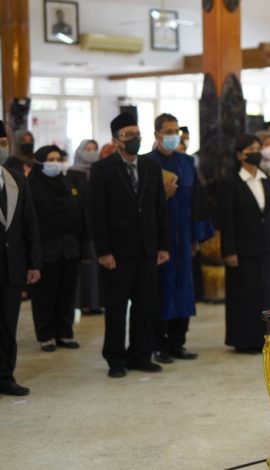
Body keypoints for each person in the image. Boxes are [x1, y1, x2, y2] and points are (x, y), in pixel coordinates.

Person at [90, 112, 170, 378]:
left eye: (137, 134)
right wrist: (103, 251)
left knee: (145, 305)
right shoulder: (102, 170)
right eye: (128, 136)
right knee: (115, 307)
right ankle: (115, 358)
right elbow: (96, 214)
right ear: (116, 141)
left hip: (148, 249)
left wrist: (162, 245)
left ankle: (140, 355)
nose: (134, 139)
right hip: (117, 252)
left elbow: (160, 208)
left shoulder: (150, 166)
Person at [145, 113, 214, 364]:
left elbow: (197, 201)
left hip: (183, 238)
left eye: (175, 131)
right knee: (161, 292)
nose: (172, 136)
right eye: (168, 131)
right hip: (159, 240)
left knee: (184, 291)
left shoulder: (187, 163)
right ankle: (158, 344)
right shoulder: (147, 164)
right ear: (157, 135)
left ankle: (178, 342)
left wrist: (197, 237)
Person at [220, 135, 270, 353]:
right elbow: (227, 219)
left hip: (266, 245)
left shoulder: (267, 179)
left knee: (266, 293)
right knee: (244, 295)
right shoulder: (230, 182)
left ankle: (266, 337)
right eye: (251, 149)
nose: (257, 152)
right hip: (242, 249)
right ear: (240, 155)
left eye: (259, 148)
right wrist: (229, 250)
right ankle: (244, 339)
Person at [29, 145, 88, 352]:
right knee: (45, 295)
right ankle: (46, 335)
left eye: (57, 158)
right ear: (40, 162)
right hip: (45, 252)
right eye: (50, 159)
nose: (54, 163)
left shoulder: (68, 184)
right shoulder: (32, 188)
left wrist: (83, 247)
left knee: (67, 293)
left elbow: (80, 215)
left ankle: (64, 332)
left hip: (69, 250)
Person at [0, 140, 41, 395]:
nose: (2, 147)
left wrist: (34, 263)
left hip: (11, 267)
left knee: (7, 324)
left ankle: (5, 376)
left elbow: (30, 223)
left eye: (4, 142)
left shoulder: (16, 178)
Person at [68, 139, 103, 315]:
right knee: (86, 268)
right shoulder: (73, 174)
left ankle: (98, 303)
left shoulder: (101, 171)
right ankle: (85, 304)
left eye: (94, 149)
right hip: (82, 227)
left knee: (98, 268)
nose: (90, 152)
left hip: (100, 226)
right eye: (87, 149)